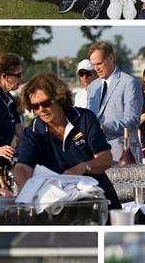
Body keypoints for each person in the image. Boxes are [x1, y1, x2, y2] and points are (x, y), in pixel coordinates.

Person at [12, 72, 118, 209]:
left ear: (59, 98)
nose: (41, 110)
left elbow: (105, 158)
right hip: (57, 206)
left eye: (46, 103)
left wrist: (81, 168)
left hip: (98, 200)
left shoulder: (84, 118)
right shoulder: (32, 132)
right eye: (36, 106)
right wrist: (27, 193)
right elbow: (22, 167)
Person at [86, 41, 143, 163]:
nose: (96, 68)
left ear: (111, 58)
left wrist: (106, 128)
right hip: (97, 156)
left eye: (100, 63)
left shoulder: (129, 82)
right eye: (93, 65)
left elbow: (133, 120)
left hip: (125, 156)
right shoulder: (92, 87)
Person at [0, 53, 24, 178]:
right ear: (4, 76)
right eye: (17, 75)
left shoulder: (9, 98)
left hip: (4, 157)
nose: (21, 79)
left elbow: (18, 127)